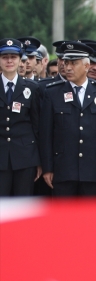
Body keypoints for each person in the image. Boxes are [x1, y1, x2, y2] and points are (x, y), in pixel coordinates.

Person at [39, 41, 96, 197]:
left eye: (73, 63)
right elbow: (46, 134)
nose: (67, 67)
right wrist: (48, 168)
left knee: (89, 220)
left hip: (93, 170)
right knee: (63, 219)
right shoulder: (52, 93)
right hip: (63, 170)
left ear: (86, 66)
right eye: (66, 62)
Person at [0, 38, 42, 196]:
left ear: (20, 60)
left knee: (23, 206)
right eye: (4, 57)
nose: (9, 60)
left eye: (13, 57)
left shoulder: (32, 88)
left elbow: (37, 126)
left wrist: (39, 160)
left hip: (25, 158)